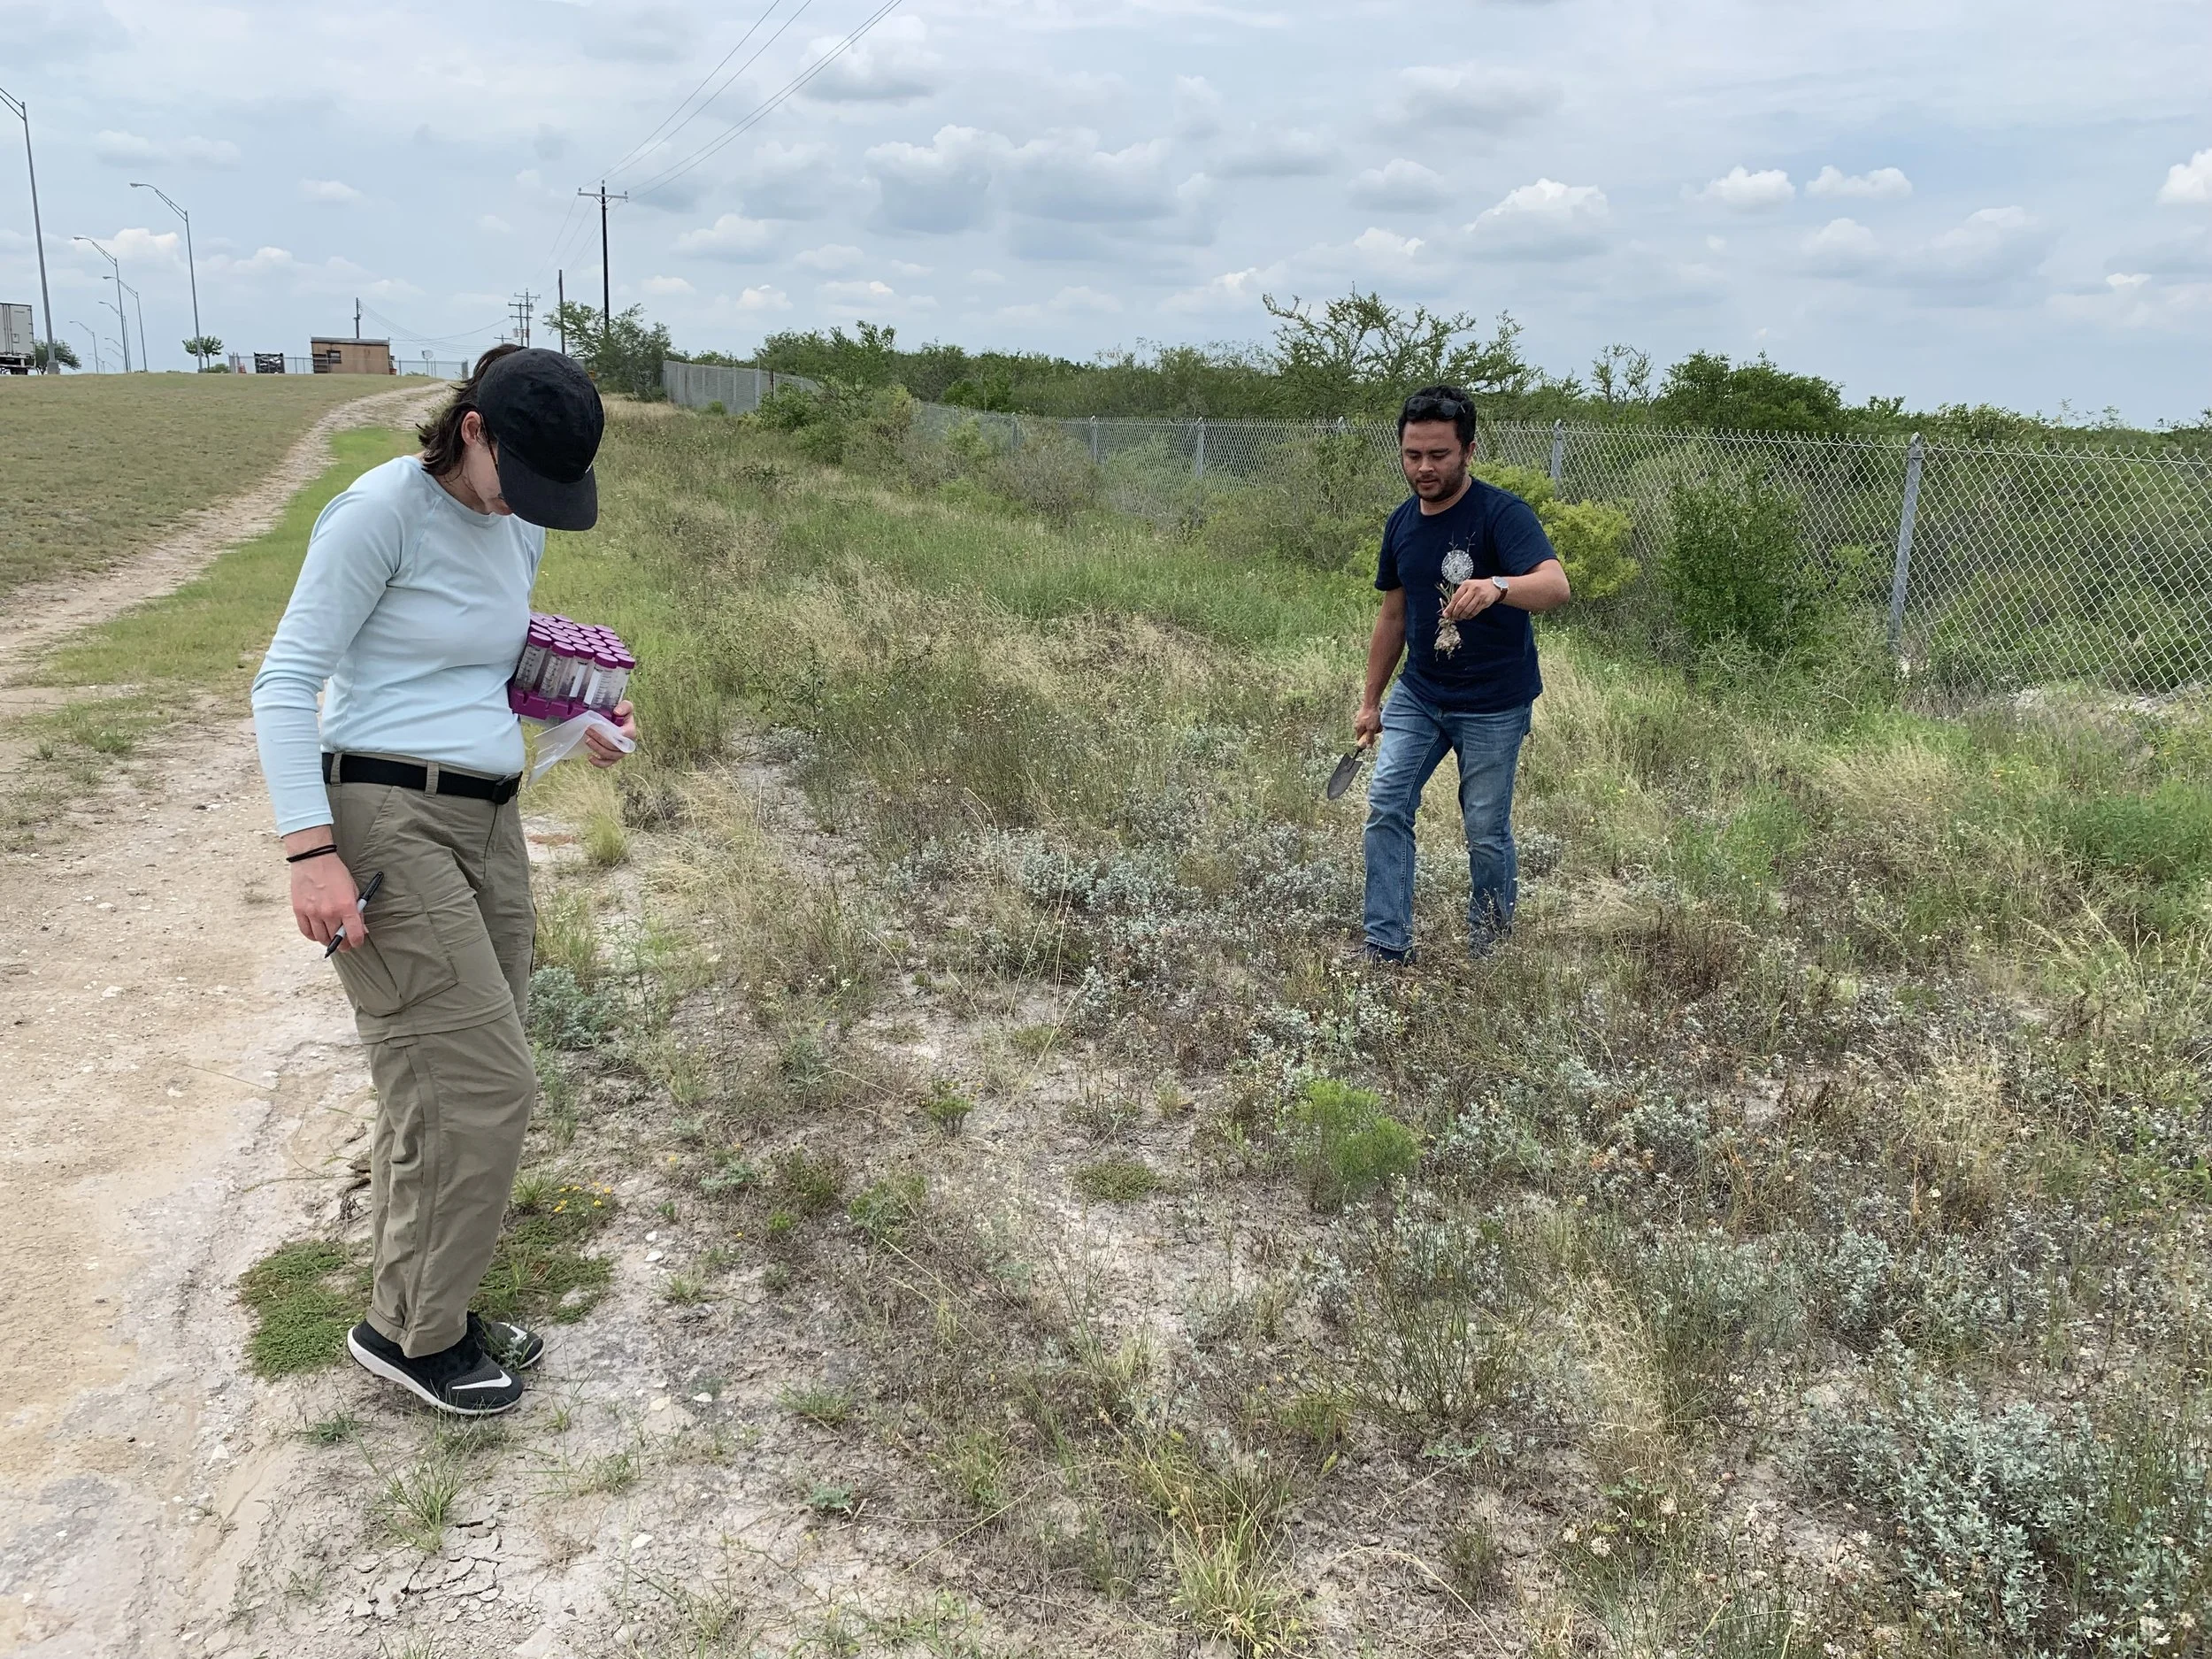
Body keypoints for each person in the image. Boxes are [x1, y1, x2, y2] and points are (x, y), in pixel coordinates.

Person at [251, 344, 640, 1416]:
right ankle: (409, 1335)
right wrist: (309, 851)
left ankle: (434, 1305)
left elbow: (477, 664)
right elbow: (284, 681)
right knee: (480, 1084)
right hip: (384, 817)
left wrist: (581, 716)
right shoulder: (379, 512)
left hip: (487, 819)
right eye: (526, 476)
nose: (539, 506)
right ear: (473, 430)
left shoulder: (515, 521)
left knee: (455, 1077)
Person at [1354, 384, 1571, 963]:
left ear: (1469, 451)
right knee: (1386, 803)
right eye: (1412, 454)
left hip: (1494, 704)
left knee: (1485, 831)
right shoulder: (1401, 524)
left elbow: (1555, 586)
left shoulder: (1503, 514)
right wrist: (1371, 700)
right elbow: (1394, 614)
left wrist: (1499, 585)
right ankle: (1386, 943)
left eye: (1439, 455)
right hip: (1420, 694)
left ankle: (1490, 949)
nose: (1424, 467)